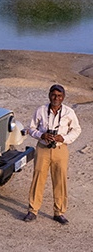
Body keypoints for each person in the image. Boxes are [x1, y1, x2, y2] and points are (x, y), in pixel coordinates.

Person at [23, 84, 82, 224]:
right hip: (43, 148)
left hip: (60, 149)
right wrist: (41, 135)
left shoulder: (69, 112)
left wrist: (64, 138)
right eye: (54, 95)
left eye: (59, 96)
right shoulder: (41, 110)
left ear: (63, 97)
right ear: (49, 95)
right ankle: (33, 210)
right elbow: (31, 128)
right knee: (38, 179)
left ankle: (59, 212)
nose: (56, 98)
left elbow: (76, 129)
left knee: (60, 180)